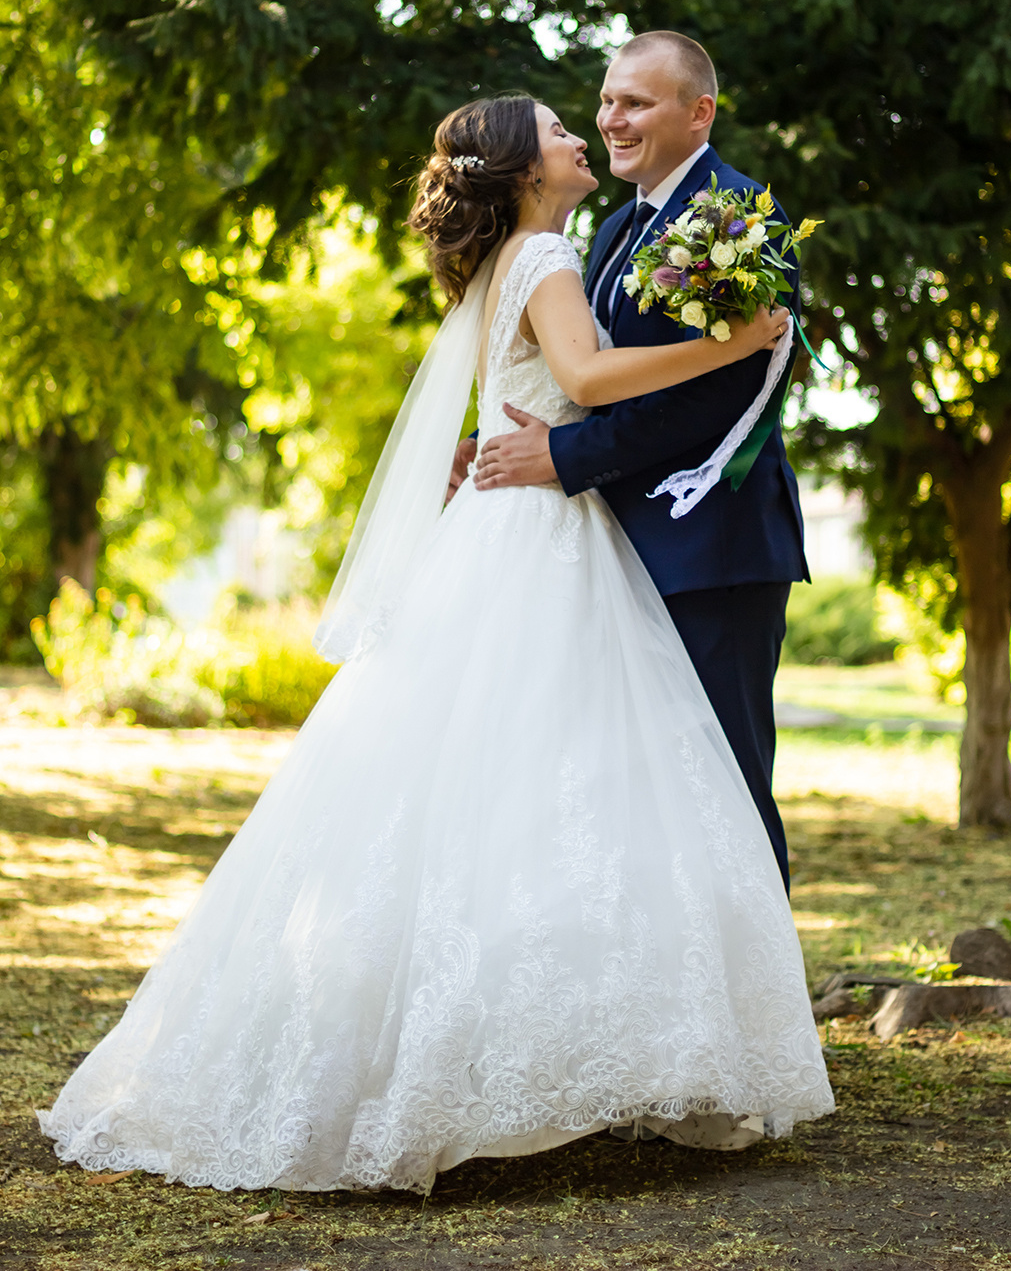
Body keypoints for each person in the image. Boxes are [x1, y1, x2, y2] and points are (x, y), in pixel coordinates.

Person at [39, 95, 832, 1197]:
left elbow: (523, 392)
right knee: (559, 786)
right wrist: (734, 340)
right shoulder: (552, 250)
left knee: (486, 785)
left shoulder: (514, 254)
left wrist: (521, 435)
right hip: (543, 535)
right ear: (523, 169)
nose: (579, 135)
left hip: (509, 530)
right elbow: (592, 383)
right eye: (562, 128)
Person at [469, 34, 809, 890]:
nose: (611, 120)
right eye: (607, 99)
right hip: (615, 548)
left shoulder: (740, 221)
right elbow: (587, 375)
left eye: (637, 104)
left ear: (700, 113)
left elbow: (713, 398)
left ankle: (759, 1015)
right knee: (639, 794)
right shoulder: (619, 226)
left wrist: (561, 453)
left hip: (713, 547)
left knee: (725, 781)